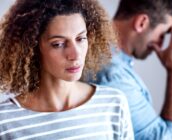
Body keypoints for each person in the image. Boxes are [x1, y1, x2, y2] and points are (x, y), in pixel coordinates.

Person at [0, 0, 134, 139]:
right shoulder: (5, 122)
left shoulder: (113, 104)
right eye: (58, 44)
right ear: (32, 47)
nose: (76, 55)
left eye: (81, 38)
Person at [89, 0, 172, 139]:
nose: (161, 45)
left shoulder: (97, 51)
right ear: (141, 23)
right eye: (162, 35)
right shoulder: (115, 77)